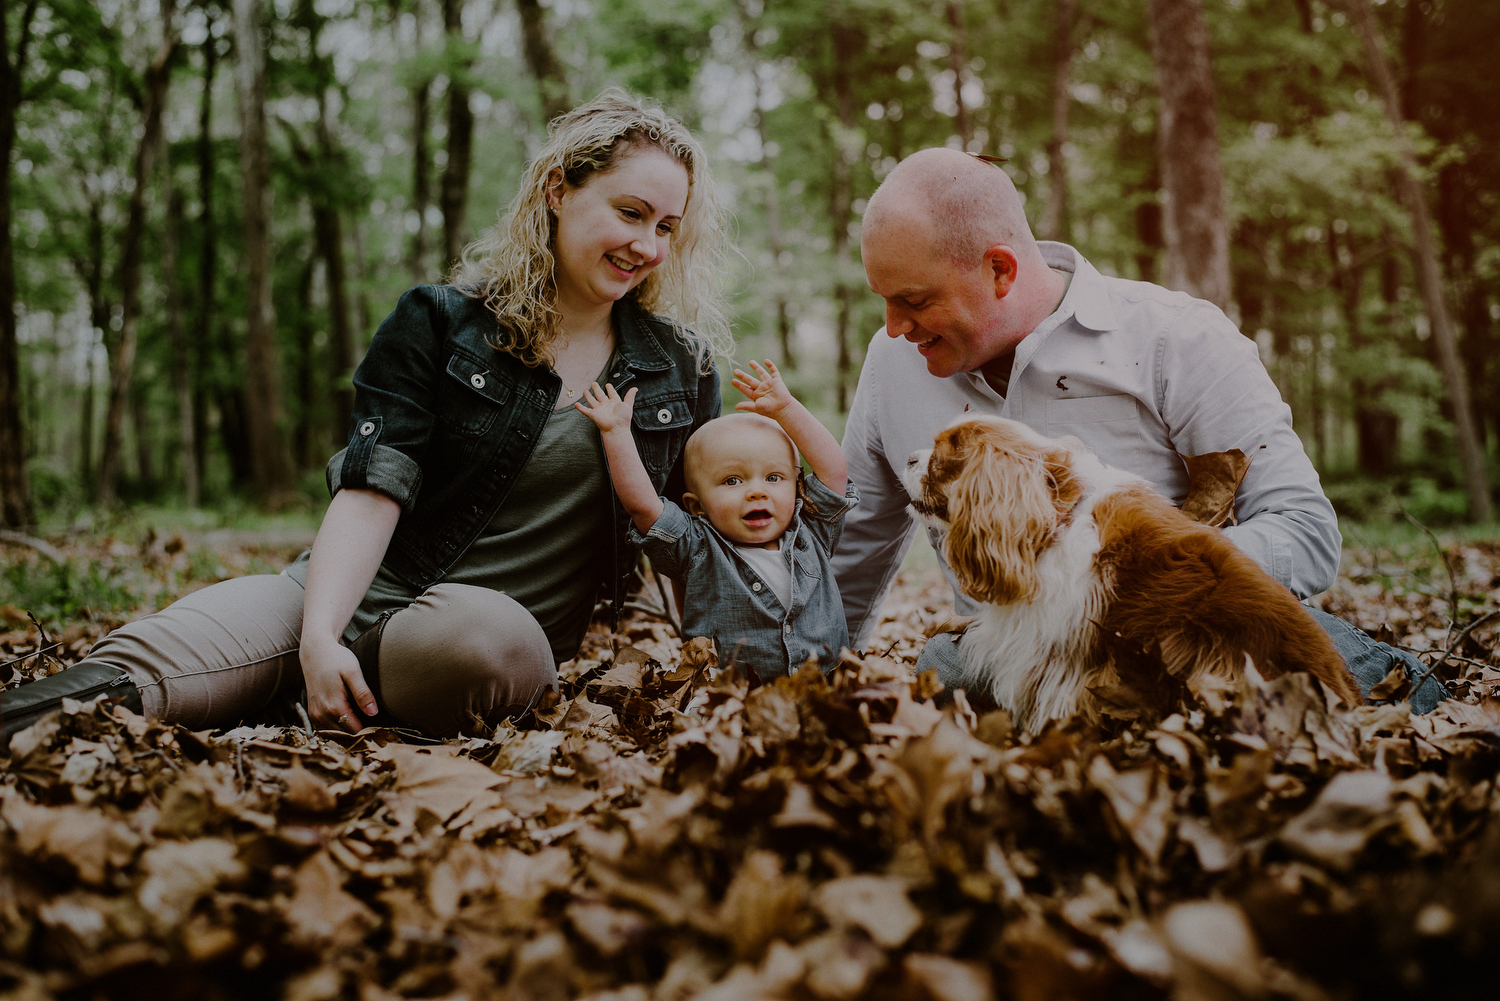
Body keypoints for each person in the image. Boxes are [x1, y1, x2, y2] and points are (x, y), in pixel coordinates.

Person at [1, 90, 731, 742]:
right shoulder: (441, 323)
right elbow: (372, 489)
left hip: (466, 641)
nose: (648, 246)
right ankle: (293, 679)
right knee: (146, 664)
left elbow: (707, 537)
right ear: (556, 190)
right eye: (630, 213)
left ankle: (294, 698)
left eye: (666, 227)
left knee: (491, 642)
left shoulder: (681, 369)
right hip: (338, 593)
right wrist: (319, 635)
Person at [832, 146, 1446, 713]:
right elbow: (853, 553)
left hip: (1192, 638)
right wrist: (809, 683)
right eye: (882, 300)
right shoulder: (892, 367)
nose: (892, 327)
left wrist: (1133, 572)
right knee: (942, 666)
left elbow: (1306, 534)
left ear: (999, 269)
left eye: (913, 300)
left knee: (1390, 692)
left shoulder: (1174, 337)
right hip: (1015, 652)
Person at [578, 360, 857, 681]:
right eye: (732, 481)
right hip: (726, 705)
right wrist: (616, 434)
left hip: (824, 691)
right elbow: (643, 507)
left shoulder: (811, 531)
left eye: (773, 477)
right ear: (696, 505)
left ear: (796, 486)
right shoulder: (697, 546)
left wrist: (787, 410)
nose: (756, 492)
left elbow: (834, 471)